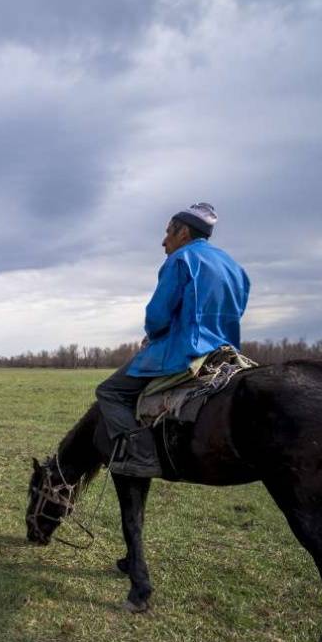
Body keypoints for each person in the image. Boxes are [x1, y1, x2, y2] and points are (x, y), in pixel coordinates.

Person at [95, 203, 250, 477]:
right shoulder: (235, 267)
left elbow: (157, 317)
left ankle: (141, 456)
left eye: (168, 233)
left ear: (184, 233)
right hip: (224, 352)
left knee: (110, 392)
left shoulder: (180, 259)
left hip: (185, 351)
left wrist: (152, 335)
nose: (164, 240)